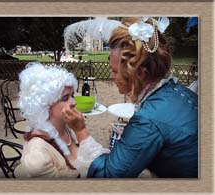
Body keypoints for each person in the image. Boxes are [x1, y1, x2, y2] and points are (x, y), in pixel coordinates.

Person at [63, 17, 198, 178]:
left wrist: (80, 130)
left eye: (115, 70)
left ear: (139, 74)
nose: (111, 76)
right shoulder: (177, 91)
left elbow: (109, 176)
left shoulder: (148, 119)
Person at [14, 62, 83, 178]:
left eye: (72, 96)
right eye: (65, 98)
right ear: (45, 106)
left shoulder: (65, 127)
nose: (74, 102)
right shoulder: (38, 156)